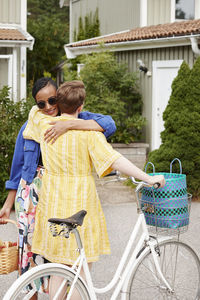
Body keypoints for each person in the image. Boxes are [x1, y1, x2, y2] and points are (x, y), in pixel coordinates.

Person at [23, 80, 165, 299]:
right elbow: (115, 160)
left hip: (52, 202)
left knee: (59, 267)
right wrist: (147, 178)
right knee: (80, 270)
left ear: (59, 103)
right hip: (80, 200)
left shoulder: (44, 125)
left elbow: (34, 113)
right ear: (81, 107)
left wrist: (64, 121)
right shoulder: (89, 134)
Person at [0, 77, 116, 297]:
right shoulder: (30, 125)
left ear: (60, 97)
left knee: (60, 250)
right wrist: (8, 204)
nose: (48, 107)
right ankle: (31, 295)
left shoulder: (80, 116)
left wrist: (70, 123)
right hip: (31, 194)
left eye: (52, 100)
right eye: (41, 104)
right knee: (30, 252)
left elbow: (109, 125)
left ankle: (62, 293)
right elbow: (17, 169)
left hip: (58, 193)